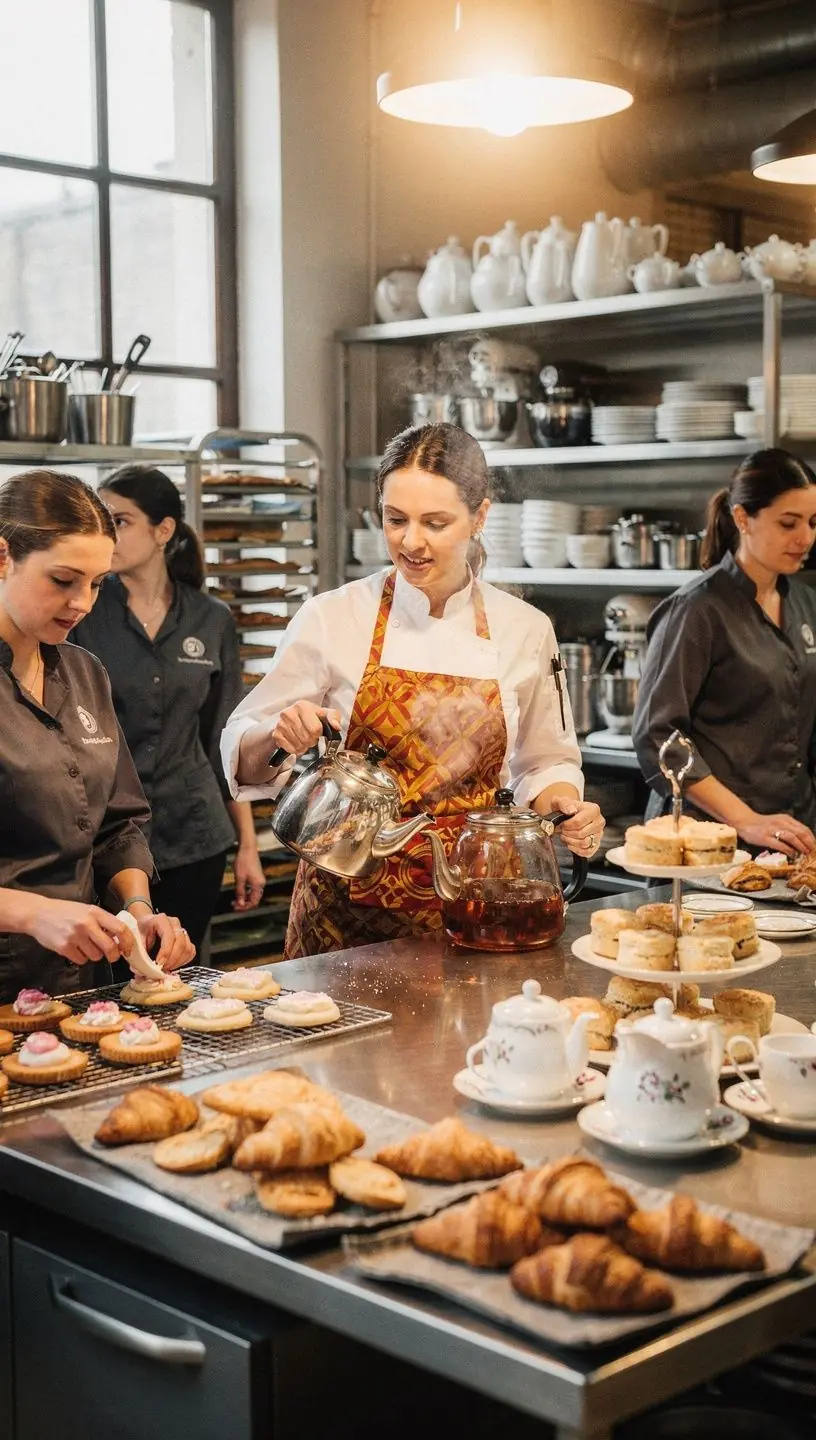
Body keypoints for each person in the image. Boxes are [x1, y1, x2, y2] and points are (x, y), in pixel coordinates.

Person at [221, 422, 604, 958]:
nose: (411, 541)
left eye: (436, 523)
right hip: (342, 913)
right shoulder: (333, 617)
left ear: (480, 517)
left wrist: (566, 805)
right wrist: (278, 736)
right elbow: (245, 757)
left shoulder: (526, 628)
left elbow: (544, 761)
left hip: (481, 907)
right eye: (395, 520)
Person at [0, 469, 195, 1003]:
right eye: (63, 581)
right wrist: (32, 913)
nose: (83, 603)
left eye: (96, 583)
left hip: (80, 985)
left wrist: (138, 910)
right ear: (2, 557)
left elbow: (117, 822)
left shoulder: (85, 673)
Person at [73, 466, 265, 954]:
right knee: (114, 984)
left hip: (195, 835)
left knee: (180, 975)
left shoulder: (211, 619)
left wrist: (247, 847)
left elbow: (224, 739)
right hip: (106, 843)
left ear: (164, 531)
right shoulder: (81, 613)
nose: (107, 534)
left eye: (120, 521)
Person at [633, 448, 816, 856]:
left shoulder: (806, 604)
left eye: (813, 522)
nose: (805, 538)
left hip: (791, 834)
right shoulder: (696, 609)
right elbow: (657, 735)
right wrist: (745, 820)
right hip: (705, 843)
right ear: (742, 518)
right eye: (789, 523)